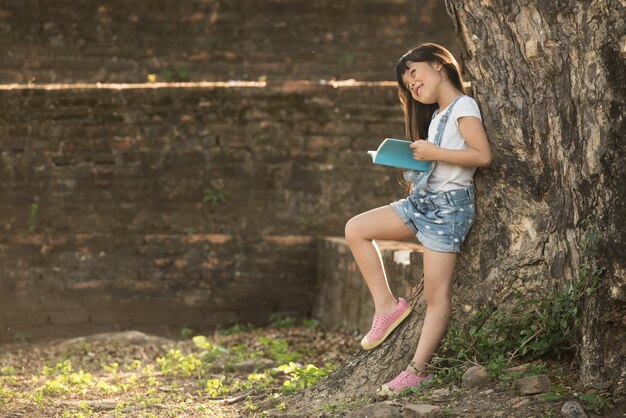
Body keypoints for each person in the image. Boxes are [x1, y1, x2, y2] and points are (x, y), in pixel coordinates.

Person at [344, 42, 492, 395]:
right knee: (356, 229)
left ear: (439, 65)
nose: (411, 84)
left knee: (435, 297)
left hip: (448, 210)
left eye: (414, 73)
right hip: (422, 202)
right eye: (406, 82)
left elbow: (482, 155)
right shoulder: (438, 115)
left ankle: (417, 370)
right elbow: (441, 161)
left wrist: (433, 152)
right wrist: (416, 163)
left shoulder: (463, 106)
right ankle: (387, 306)